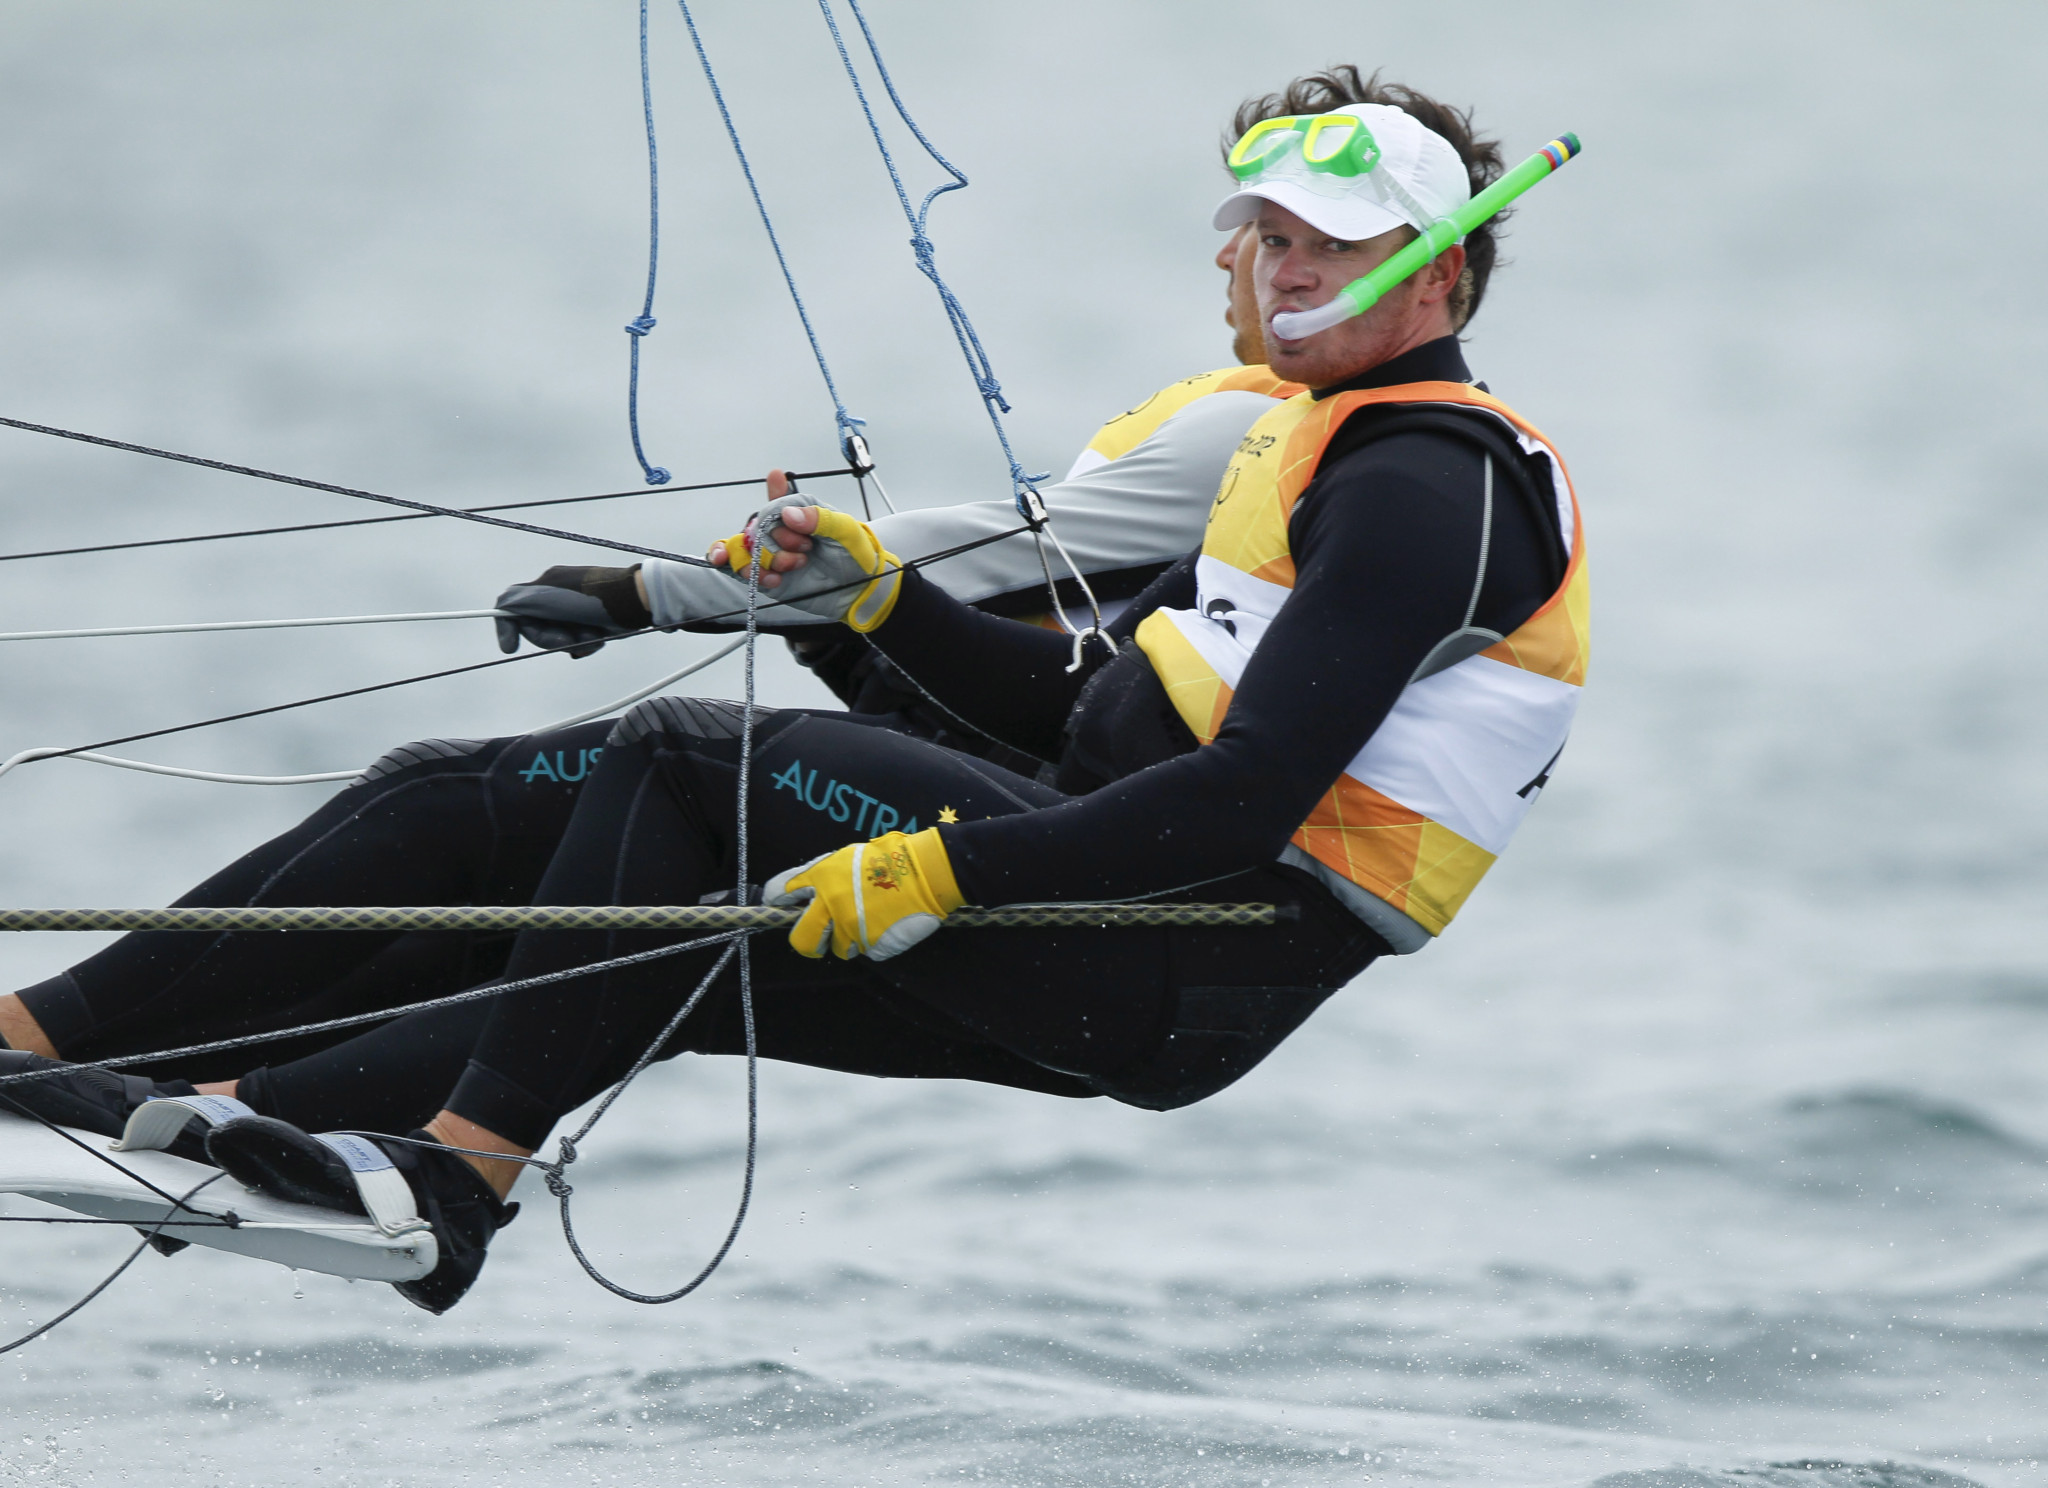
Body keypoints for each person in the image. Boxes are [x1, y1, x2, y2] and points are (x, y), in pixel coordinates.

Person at [1, 80, 1584, 1319]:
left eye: (1331, 245)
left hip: (1201, 948)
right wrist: (876, 603)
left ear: (1436, 272)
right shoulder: (1308, 442)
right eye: (1273, 236)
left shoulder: (1430, 487)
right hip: (1143, 904)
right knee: (485, 814)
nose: (1283, 269)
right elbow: (1091, 720)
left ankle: (449, 1191)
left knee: (684, 764)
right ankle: (161, 1098)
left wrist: (937, 867)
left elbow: (1240, 799)